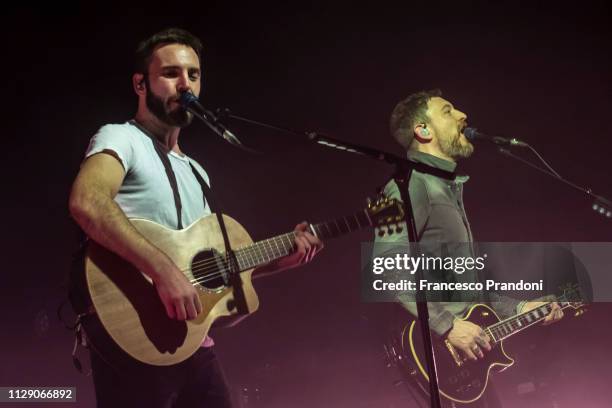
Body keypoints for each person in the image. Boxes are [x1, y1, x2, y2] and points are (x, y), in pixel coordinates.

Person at [68, 28, 323, 408]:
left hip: (195, 345)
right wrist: (162, 270)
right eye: (171, 73)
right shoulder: (122, 138)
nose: (185, 84)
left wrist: (277, 262)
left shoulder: (197, 172)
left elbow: (209, 271)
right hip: (133, 337)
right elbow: (87, 202)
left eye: (194, 75)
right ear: (141, 83)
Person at [373, 89, 563, 407]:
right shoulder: (398, 188)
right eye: (448, 111)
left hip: (468, 361)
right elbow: (385, 266)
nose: (463, 115)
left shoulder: (448, 190)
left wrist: (520, 310)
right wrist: (447, 327)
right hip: (437, 356)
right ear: (423, 130)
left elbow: (469, 290)